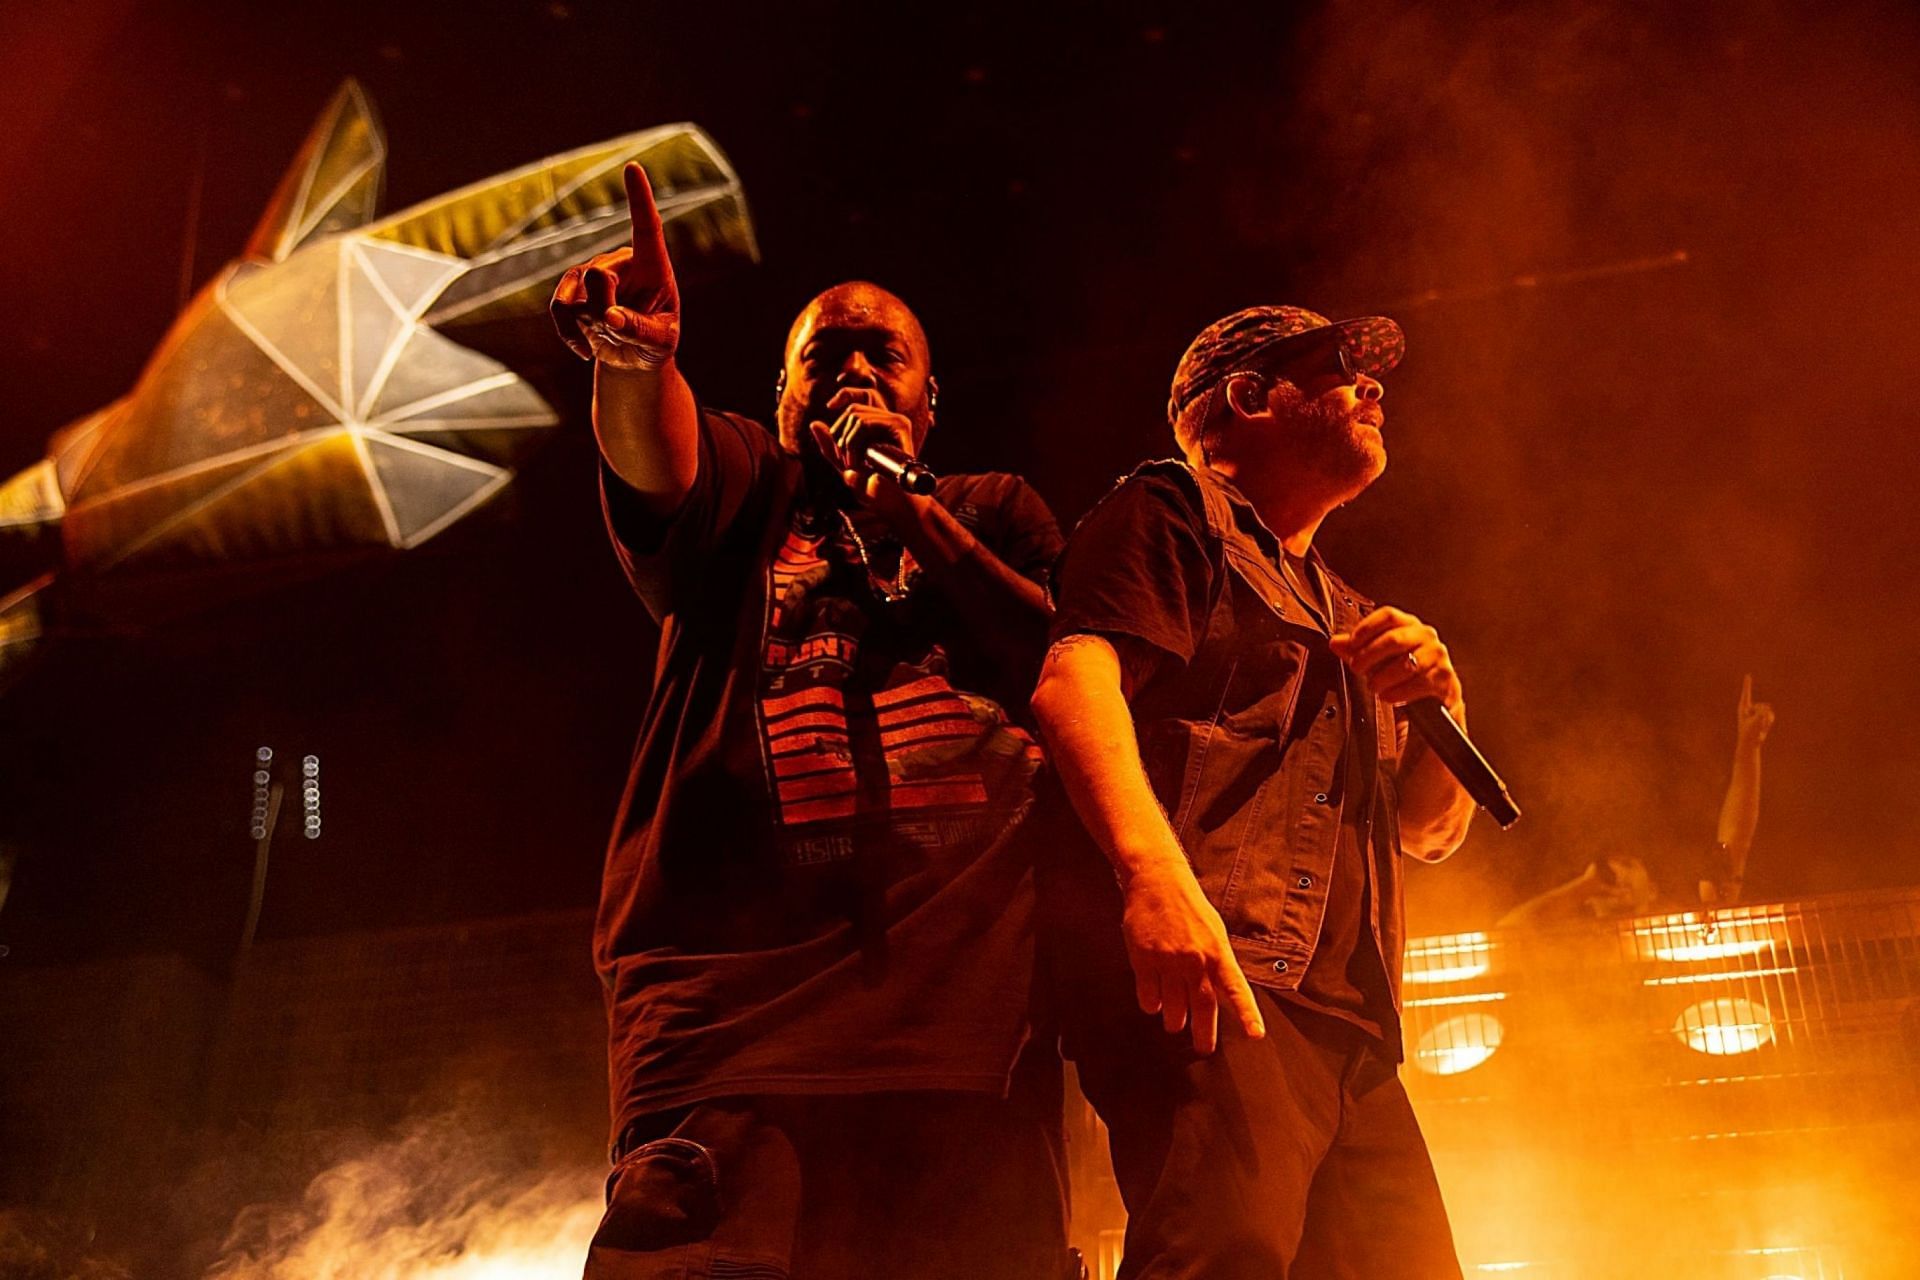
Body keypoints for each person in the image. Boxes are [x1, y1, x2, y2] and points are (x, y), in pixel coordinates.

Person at [551, 164, 1070, 1280]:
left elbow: (1060, 666)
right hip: (729, 1037)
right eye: (822, 356)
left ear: (931, 404)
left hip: (961, 1040)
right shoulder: (749, 488)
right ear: (784, 399)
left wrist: (911, 510)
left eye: (885, 354)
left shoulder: (993, 510)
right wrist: (635, 360)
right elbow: (657, 451)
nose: (853, 368)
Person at [1030, 305, 1478, 1278]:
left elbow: (1430, 830)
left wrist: (1445, 703)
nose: (1375, 390)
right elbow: (1074, 681)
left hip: (1352, 1030)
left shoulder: (1349, 607)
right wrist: (1156, 880)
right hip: (1219, 989)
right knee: (1221, 1257)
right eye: (1338, 370)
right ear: (1247, 397)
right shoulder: (1172, 510)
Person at [1499, 675, 1776, 925]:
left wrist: (1748, 747)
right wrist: (1584, 886)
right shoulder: (1578, 950)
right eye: (1609, 868)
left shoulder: (1681, 941)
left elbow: (1734, 845)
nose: (1617, 874)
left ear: (1652, 890)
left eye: (1628, 864)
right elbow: (1506, 936)